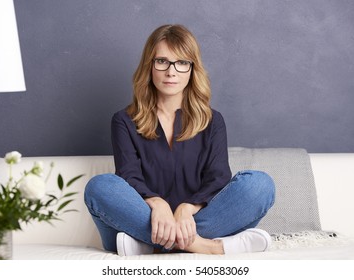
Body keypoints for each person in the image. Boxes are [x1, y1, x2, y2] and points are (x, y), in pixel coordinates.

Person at [84, 24, 275, 256]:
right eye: (162, 61)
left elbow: (218, 179)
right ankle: (207, 246)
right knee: (100, 187)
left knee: (259, 185)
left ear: (192, 69)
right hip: (140, 218)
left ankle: (151, 246)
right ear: (149, 66)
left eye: (182, 63)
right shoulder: (124, 120)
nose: (171, 72)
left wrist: (187, 208)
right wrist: (158, 204)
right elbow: (128, 176)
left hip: (196, 219)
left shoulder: (213, 120)